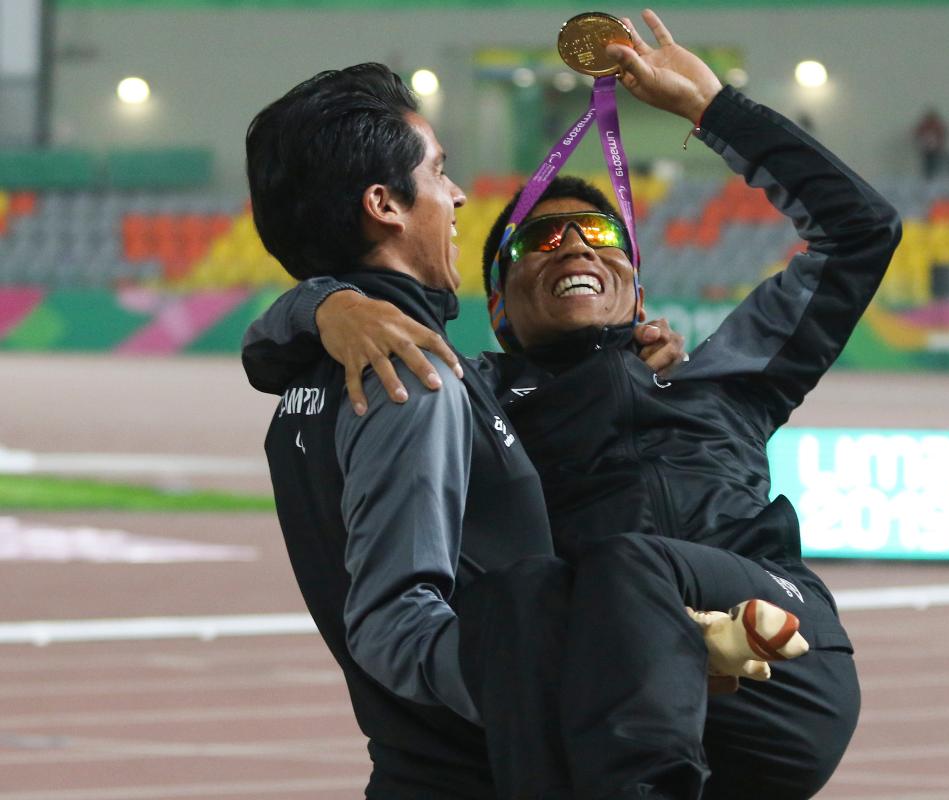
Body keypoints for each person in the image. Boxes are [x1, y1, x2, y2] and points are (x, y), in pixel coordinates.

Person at [244, 10, 901, 799]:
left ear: (635, 283)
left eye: (597, 233)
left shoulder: (724, 382)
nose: (578, 247)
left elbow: (861, 233)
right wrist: (327, 305)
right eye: (540, 243)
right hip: (621, 703)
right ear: (498, 307)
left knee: (623, 567)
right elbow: (280, 364)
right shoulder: (473, 398)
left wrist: (712, 107)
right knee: (566, 600)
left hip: (778, 658)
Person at [914, 107, 948, 180]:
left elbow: (942, 135)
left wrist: (940, 144)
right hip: (926, 148)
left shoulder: (937, 125)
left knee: (935, 163)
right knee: (927, 163)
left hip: (935, 148)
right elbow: (918, 134)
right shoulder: (924, 125)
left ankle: (935, 177)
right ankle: (928, 177)